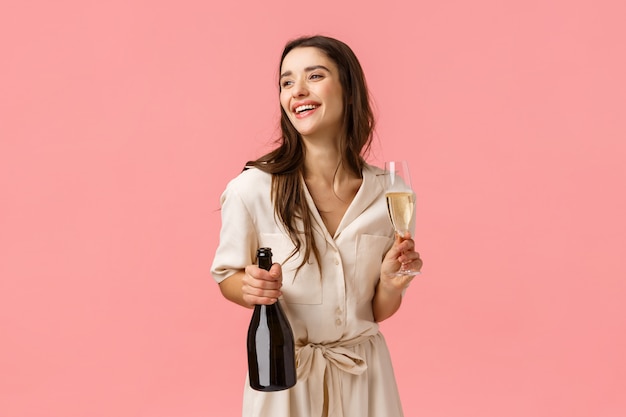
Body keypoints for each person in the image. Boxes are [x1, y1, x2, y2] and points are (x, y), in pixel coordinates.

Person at [211, 35, 423, 417]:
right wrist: (251, 287)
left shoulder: (391, 194)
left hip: (366, 380)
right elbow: (228, 276)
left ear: (349, 90)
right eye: (286, 82)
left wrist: (392, 282)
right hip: (285, 380)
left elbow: (375, 310)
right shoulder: (251, 189)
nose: (297, 91)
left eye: (314, 76)